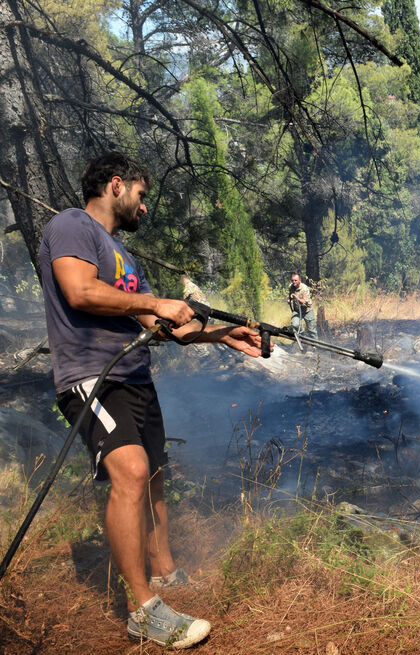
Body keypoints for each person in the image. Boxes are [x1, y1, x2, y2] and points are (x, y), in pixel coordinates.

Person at [38, 151, 264, 649]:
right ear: (116, 185)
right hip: (93, 377)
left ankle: (163, 572)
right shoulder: (72, 225)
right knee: (132, 472)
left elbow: (163, 327)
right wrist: (155, 300)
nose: (145, 207)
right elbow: (79, 291)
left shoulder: (125, 257)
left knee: (155, 475)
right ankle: (142, 611)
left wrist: (224, 335)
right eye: (142, 195)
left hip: (135, 377)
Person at [287, 273, 317, 339]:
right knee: (295, 324)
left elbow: (304, 302)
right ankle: (303, 335)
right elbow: (290, 295)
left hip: (307, 311)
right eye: (292, 280)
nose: (294, 282)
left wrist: (296, 298)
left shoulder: (304, 288)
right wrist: (290, 300)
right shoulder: (291, 287)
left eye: (295, 280)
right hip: (297, 310)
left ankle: (316, 344)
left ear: (299, 280)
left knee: (312, 330)